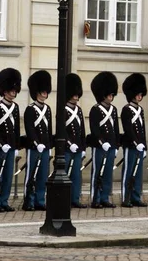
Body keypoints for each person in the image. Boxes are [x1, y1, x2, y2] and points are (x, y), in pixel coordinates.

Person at [0, 68, 21, 212]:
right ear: (4, 90)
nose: (13, 92)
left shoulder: (15, 107)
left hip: (11, 146)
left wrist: (16, 145)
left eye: (15, 90)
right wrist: (1, 144)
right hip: (0, 147)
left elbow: (16, 128)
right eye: (11, 90)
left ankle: (4, 200)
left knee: (8, 176)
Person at [88, 71, 119, 208]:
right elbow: (94, 128)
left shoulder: (113, 110)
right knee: (98, 172)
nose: (111, 97)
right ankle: (96, 198)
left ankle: (105, 197)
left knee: (107, 173)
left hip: (111, 145)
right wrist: (102, 142)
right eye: (109, 94)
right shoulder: (95, 110)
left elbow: (116, 128)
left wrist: (116, 145)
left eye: (112, 94)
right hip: (100, 146)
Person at [22, 70, 52, 211]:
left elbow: (48, 129)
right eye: (42, 91)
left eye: (46, 91)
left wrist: (48, 145)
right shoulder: (30, 109)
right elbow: (29, 129)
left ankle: (40, 200)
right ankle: (29, 200)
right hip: (34, 147)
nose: (45, 93)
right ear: (37, 92)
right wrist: (36, 143)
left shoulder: (47, 109)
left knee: (43, 175)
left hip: (45, 147)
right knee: (31, 175)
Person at [120, 73, 148, 208]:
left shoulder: (140, 109)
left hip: (139, 146)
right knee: (128, 172)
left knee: (138, 174)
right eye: (137, 94)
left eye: (141, 94)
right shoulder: (126, 110)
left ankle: (136, 196)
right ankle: (126, 197)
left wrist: (144, 146)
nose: (139, 96)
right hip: (131, 145)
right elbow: (128, 129)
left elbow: (142, 129)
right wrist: (136, 143)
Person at [64, 73, 87, 208]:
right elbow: (62, 130)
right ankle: (64, 199)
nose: (76, 95)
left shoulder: (78, 110)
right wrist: (69, 144)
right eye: (74, 93)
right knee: (65, 175)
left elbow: (82, 130)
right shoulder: (63, 109)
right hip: (67, 149)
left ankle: (75, 198)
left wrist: (83, 147)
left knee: (76, 176)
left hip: (77, 148)